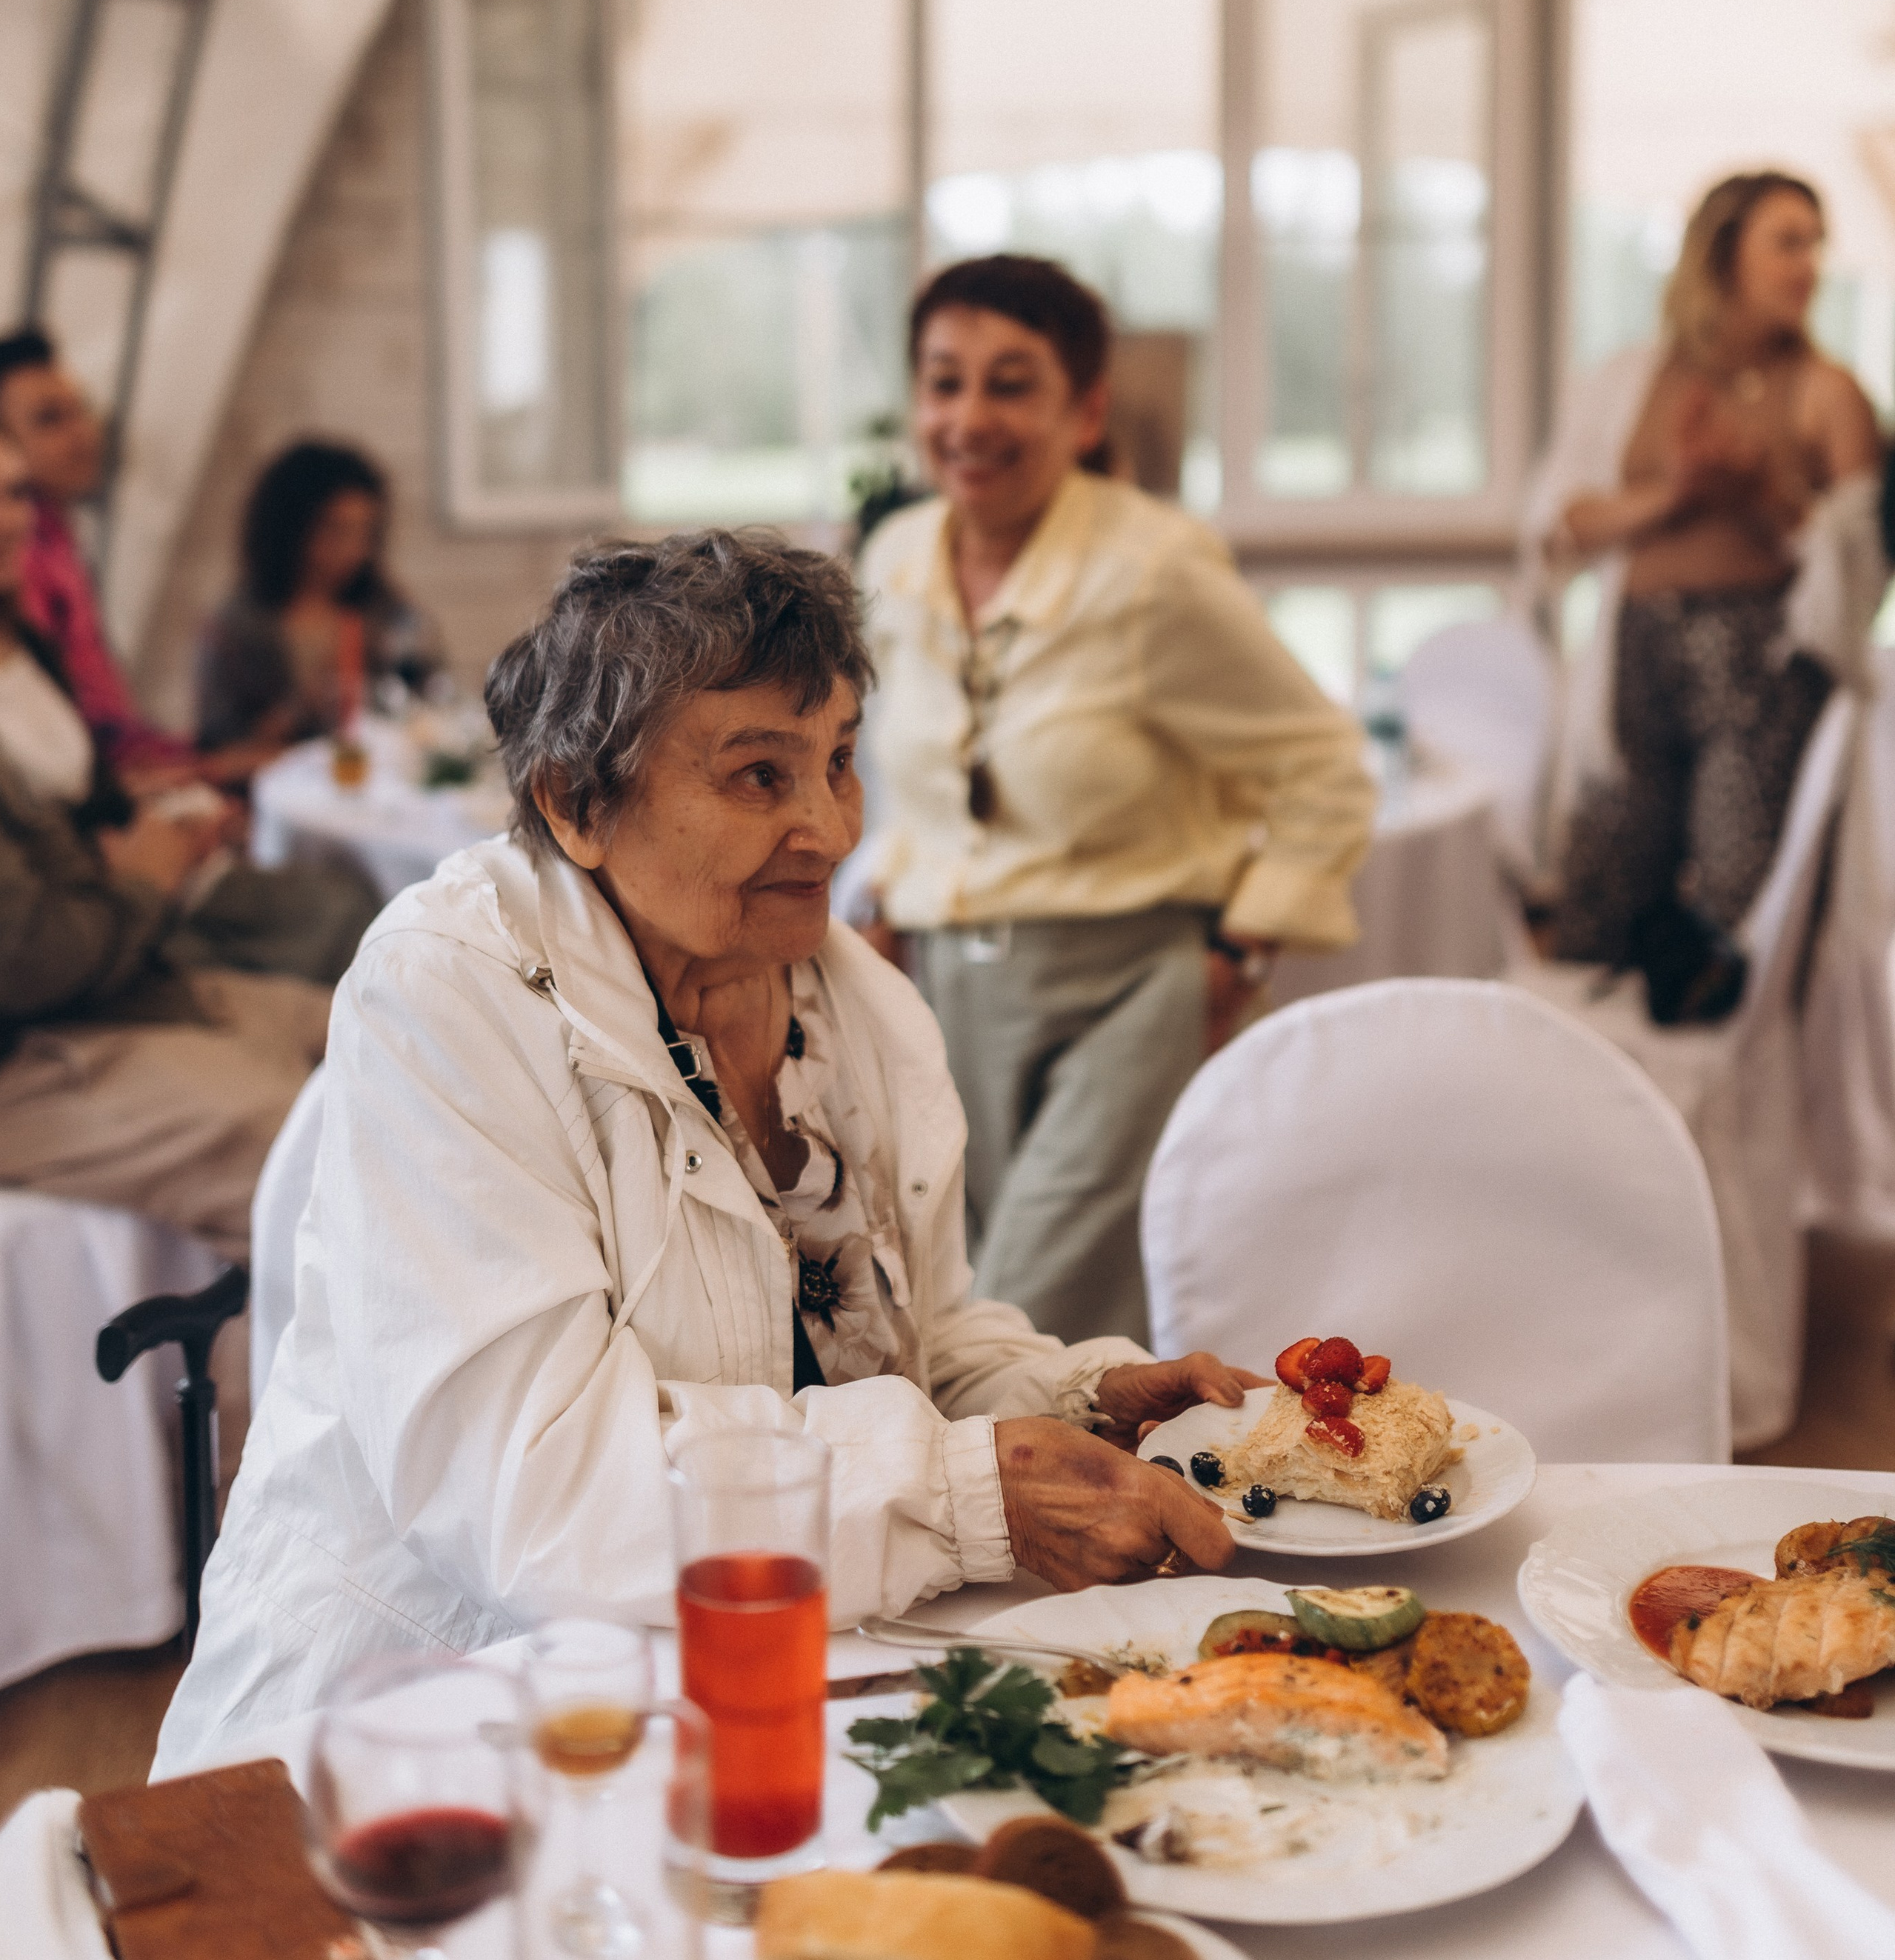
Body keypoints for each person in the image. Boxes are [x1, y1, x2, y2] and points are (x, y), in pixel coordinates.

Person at [156, 531, 1259, 1766]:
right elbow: (541, 1499)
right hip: (427, 1722)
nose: (828, 828)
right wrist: (968, 1492)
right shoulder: (449, 993)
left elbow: (905, 1342)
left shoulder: (857, 1006)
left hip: (759, 1681)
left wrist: (1074, 1402)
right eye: (758, 776)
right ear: (576, 803)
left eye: (839, 761)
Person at [855, 255, 1376, 1348]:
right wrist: (889, 897)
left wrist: (1240, 950)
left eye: (1011, 384)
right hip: (947, 995)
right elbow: (916, 779)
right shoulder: (896, 557)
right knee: (960, 1301)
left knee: (1021, 1314)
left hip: (1127, 994)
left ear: (1085, 412)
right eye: (945, 382)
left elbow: (1325, 767)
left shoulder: (1153, 569)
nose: (970, 417)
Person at [1529, 169, 1885, 971]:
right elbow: (1562, 521)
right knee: (1601, 900)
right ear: (1724, 254)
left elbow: (1858, 574)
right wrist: (1677, 495)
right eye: (1787, 243)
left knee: (1738, 914)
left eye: (1816, 245)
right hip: (1633, 660)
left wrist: (1761, 494)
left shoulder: (1829, 394)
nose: (1809, 266)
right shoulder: (1631, 379)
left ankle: (1718, 1054)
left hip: (1758, 675)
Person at [0, 443, 330, 1261]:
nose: (11, 519)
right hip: (33, 1053)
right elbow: (31, 962)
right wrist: (146, 878)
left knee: (387, 1021)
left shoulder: (24, 642)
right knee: (317, 1158)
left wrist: (161, 825)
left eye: (15, 492)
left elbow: (89, 812)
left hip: (121, 983)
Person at [0, 327, 202, 785]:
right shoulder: (19, 559)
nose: (82, 434)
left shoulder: (57, 539)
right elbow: (56, 748)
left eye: (81, 410)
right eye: (50, 420)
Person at [196, 440, 442, 753]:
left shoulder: (388, 613)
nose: (353, 550)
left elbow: (434, 704)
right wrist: (300, 709)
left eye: (365, 532)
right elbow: (218, 747)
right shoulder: (235, 628)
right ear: (289, 528)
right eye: (335, 530)